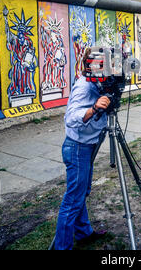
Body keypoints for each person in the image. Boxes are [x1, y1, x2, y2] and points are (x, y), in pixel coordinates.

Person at [54, 47, 111, 250]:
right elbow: (70, 119)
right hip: (77, 148)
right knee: (73, 200)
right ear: (91, 64)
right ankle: (62, 247)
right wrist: (94, 108)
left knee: (81, 193)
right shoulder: (84, 87)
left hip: (86, 146)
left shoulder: (97, 83)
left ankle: (84, 233)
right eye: (101, 63)